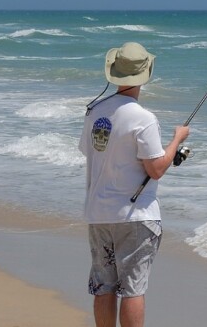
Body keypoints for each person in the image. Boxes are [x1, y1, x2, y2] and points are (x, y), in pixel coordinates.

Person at [79, 42, 190, 327]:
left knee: (103, 287)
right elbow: (156, 169)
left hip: (99, 214)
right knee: (133, 289)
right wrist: (177, 139)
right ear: (145, 75)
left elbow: (89, 151)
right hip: (135, 216)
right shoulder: (144, 118)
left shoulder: (95, 112)